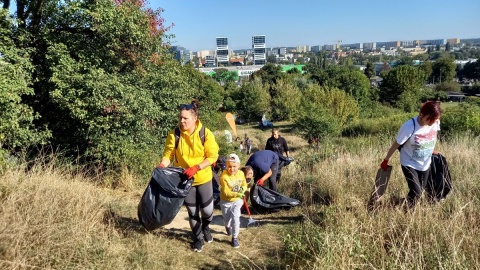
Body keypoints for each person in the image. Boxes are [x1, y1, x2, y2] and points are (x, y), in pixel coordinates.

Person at [157, 100, 219, 252]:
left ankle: (205, 227)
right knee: (192, 211)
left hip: (203, 177)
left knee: (208, 211)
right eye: (180, 118)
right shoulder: (175, 134)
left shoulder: (205, 133)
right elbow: (168, 154)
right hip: (185, 180)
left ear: (195, 119)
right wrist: (162, 165)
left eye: (185, 118)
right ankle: (198, 238)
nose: (182, 121)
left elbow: (213, 156)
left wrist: (197, 167)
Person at [380, 101, 441, 208]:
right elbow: (396, 145)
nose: (433, 123)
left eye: (435, 119)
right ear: (422, 115)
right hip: (409, 162)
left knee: (419, 191)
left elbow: (431, 137)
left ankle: (398, 204)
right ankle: (407, 212)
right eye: (430, 119)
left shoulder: (435, 122)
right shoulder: (409, 126)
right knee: (417, 192)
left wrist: (431, 150)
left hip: (425, 163)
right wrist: (386, 160)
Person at [219, 154, 248, 248]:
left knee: (236, 219)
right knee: (227, 220)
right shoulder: (224, 176)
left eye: (234, 166)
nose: (232, 169)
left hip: (237, 201)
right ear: (226, 165)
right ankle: (227, 226)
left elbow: (244, 183)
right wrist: (237, 194)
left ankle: (234, 238)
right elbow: (226, 192)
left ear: (238, 166)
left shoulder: (241, 173)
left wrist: (243, 189)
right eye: (229, 166)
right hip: (226, 201)